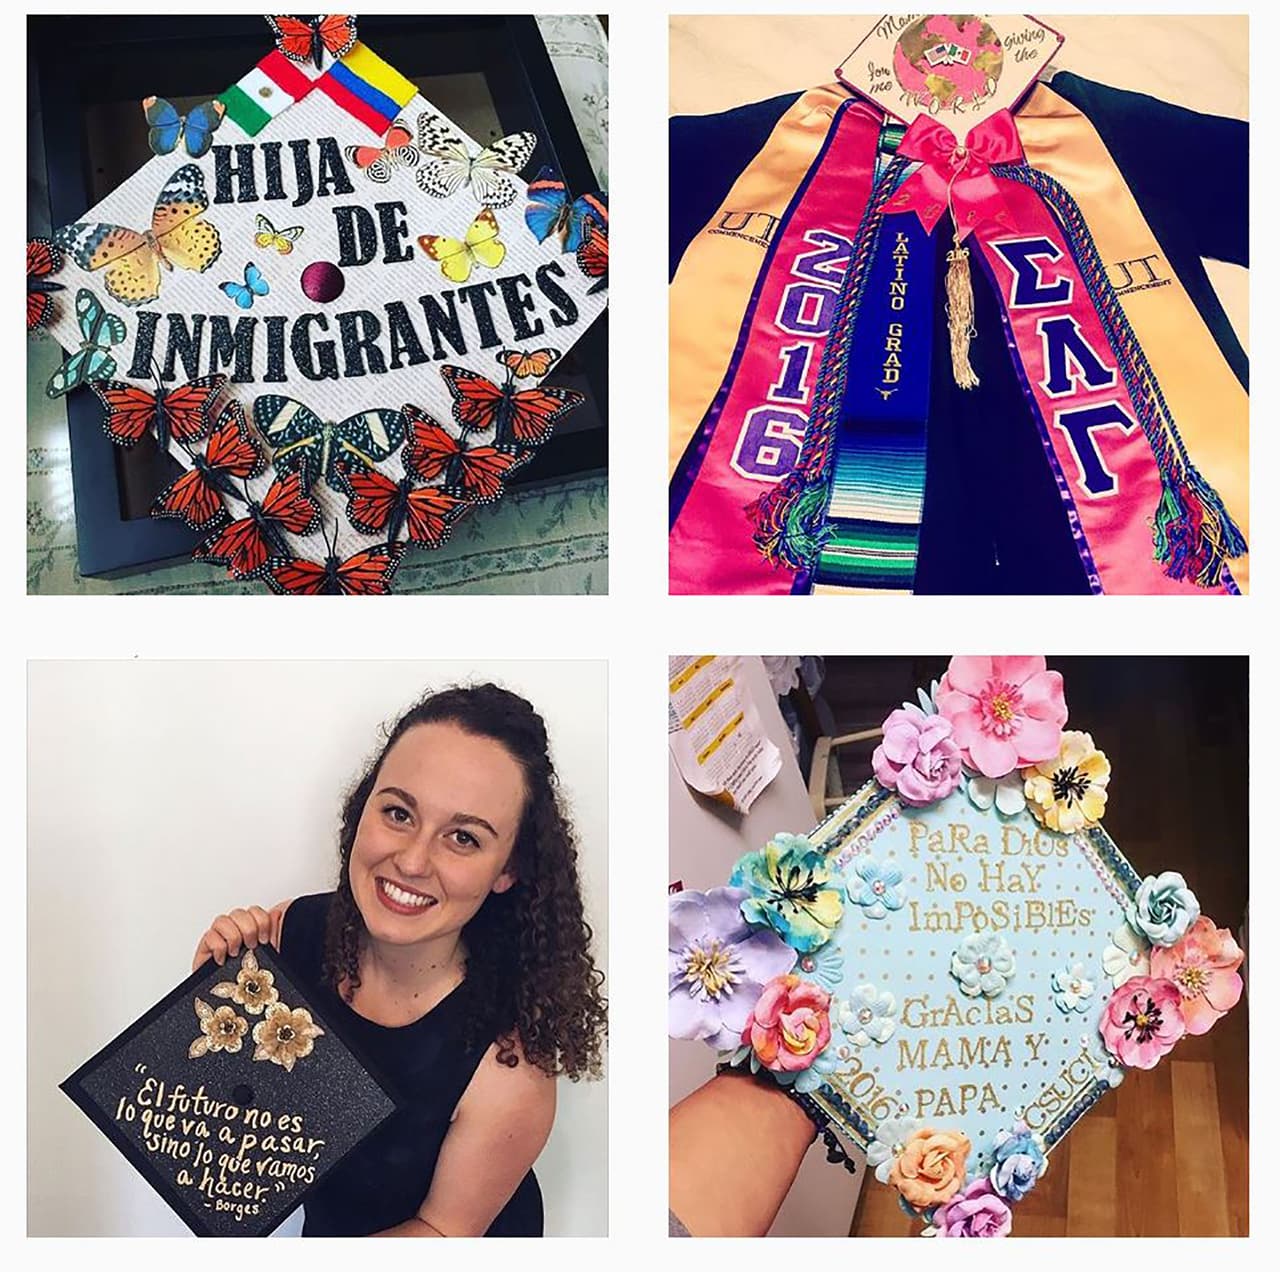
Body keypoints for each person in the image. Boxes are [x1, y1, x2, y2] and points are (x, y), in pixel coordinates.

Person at [193, 683, 607, 1237]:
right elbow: (240, 1126)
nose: (412, 860)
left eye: (463, 837)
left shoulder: (512, 1063)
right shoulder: (289, 933)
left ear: (508, 871)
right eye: (398, 812)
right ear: (362, 810)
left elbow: (441, 1234)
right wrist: (203, 1002)